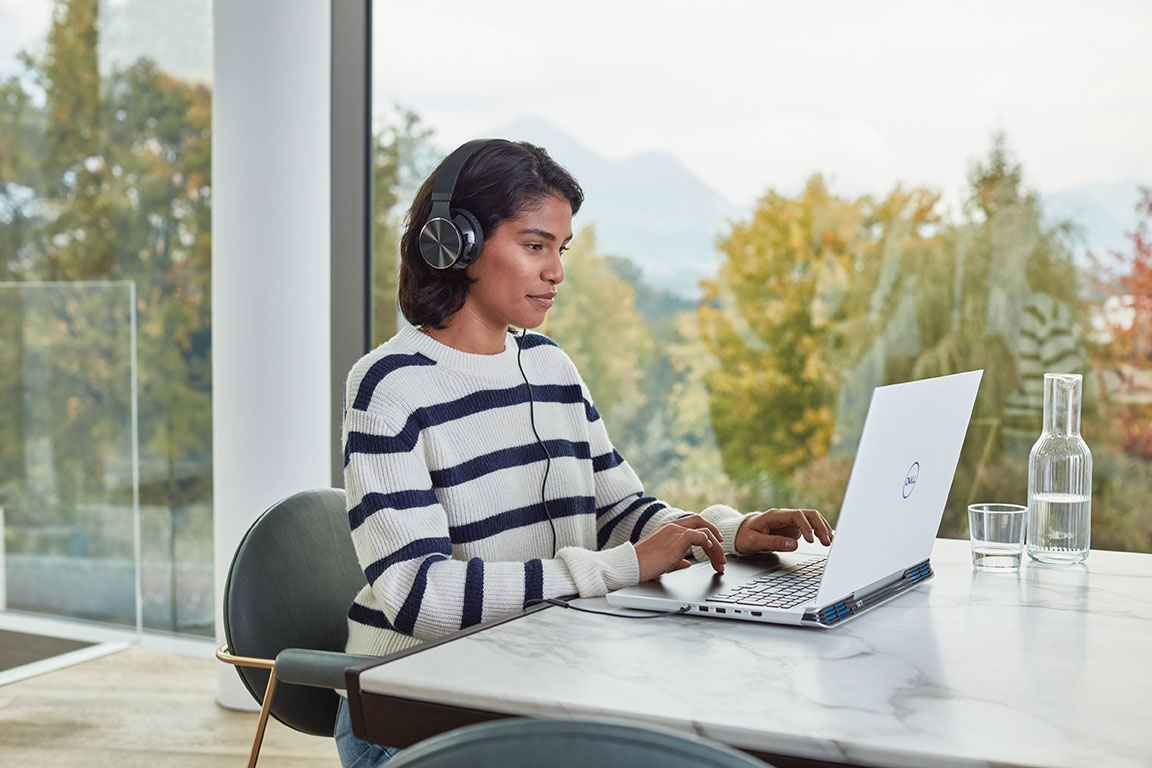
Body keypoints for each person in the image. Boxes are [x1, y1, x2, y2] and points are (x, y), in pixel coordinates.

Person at [333, 139, 833, 766]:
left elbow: (618, 509)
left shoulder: (550, 368)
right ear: (454, 243)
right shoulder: (390, 386)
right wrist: (624, 567)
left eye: (560, 250)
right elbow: (422, 597)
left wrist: (726, 534)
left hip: (535, 677)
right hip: (411, 711)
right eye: (534, 245)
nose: (556, 272)